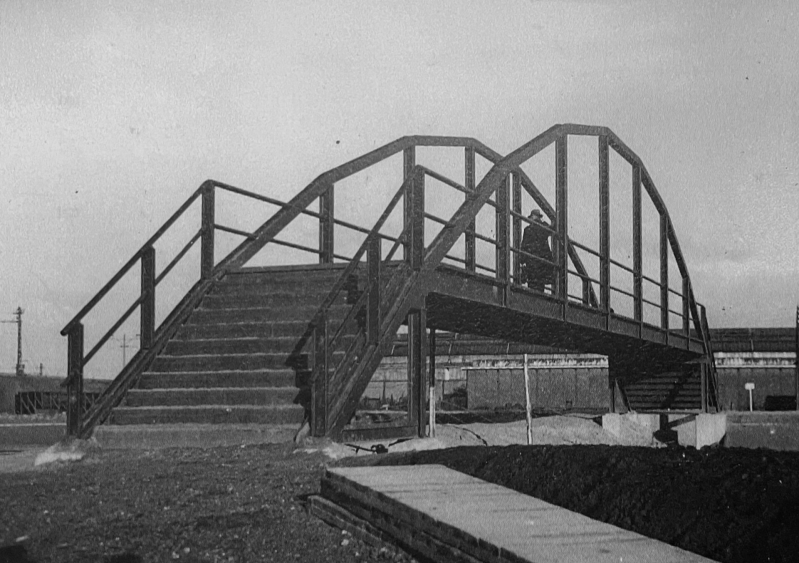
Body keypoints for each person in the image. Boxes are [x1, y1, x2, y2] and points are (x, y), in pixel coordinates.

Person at [520, 209, 555, 292]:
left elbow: (524, 246)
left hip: (531, 262)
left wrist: (521, 261)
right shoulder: (543, 227)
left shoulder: (528, 230)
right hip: (542, 263)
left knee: (532, 285)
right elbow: (552, 228)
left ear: (532, 217)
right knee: (540, 284)